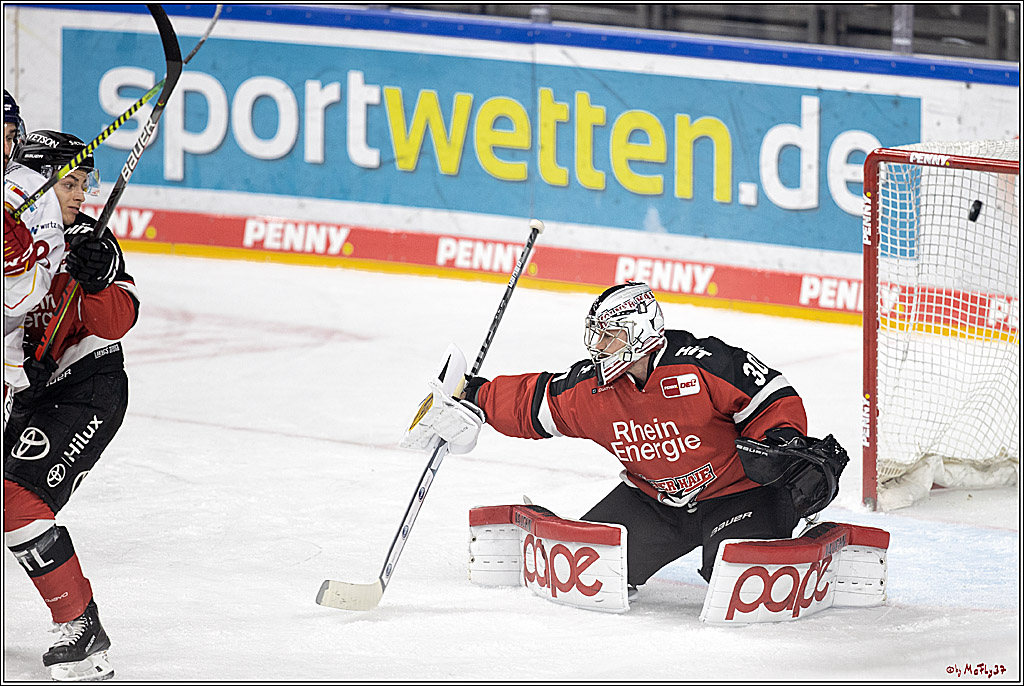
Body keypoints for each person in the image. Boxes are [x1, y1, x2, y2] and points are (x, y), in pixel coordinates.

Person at [444, 281, 847, 592]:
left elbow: (773, 398)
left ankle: (805, 545)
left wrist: (778, 440)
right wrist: (474, 395)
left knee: (741, 576)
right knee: (585, 572)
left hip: (740, 496)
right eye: (597, 335)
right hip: (655, 502)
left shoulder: (706, 363)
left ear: (639, 331)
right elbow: (537, 402)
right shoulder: (596, 388)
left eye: (609, 336)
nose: (598, 346)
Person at [4, 130, 139, 682]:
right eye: (73, 180)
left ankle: (81, 627)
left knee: (17, 500)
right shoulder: (14, 231)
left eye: (87, 181)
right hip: (24, 387)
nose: (83, 192)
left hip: (85, 388)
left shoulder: (89, 238)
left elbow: (118, 322)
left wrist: (99, 278)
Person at [4, 91, 66, 396]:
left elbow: (25, 297)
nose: (5, 149)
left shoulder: (33, 190)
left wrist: (18, 264)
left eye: (11, 136)